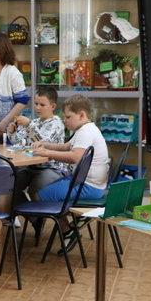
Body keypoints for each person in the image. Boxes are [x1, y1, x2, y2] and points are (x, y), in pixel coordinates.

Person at [32, 95, 109, 249]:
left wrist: (47, 153)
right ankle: (74, 220)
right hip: (89, 183)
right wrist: (44, 145)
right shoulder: (86, 129)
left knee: (38, 195)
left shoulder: (85, 132)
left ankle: (68, 231)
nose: (65, 120)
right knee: (48, 189)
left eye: (68, 117)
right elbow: (65, 147)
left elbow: (75, 157)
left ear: (81, 115)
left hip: (88, 186)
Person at [6, 87, 67, 207]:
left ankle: (36, 216)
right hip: (32, 167)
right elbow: (19, 142)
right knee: (10, 185)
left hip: (51, 168)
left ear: (53, 106)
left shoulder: (56, 123)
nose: (38, 107)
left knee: (35, 189)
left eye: (42, 105)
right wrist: (12, 132)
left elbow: (42, 143)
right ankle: (28, 215)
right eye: (36, 103)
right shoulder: (36, 122)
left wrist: (29, 125)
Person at [0, 33, 30, 143]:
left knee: (4, 150)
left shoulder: (13, 73)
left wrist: (4, 122)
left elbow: (22, 101)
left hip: (7, 124)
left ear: (0, 49)